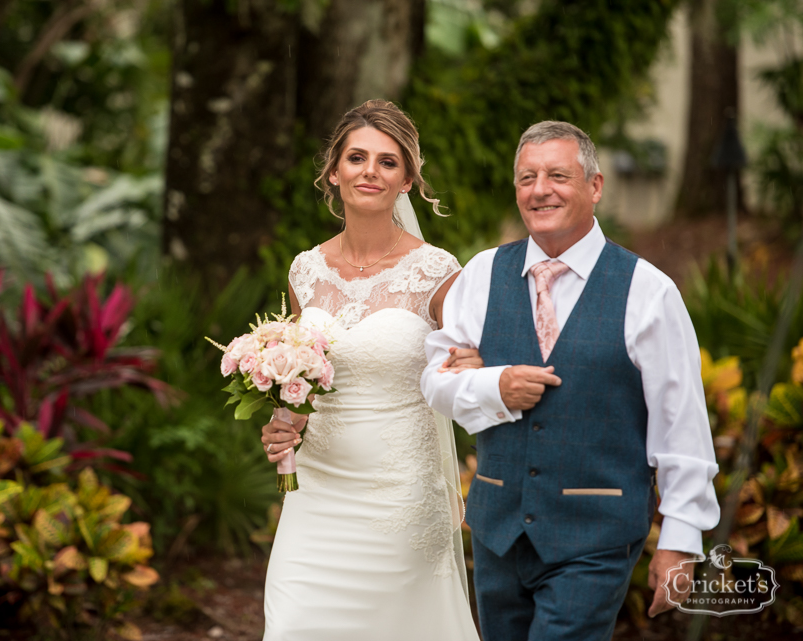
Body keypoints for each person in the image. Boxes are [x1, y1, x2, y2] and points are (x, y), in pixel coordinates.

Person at [421, 121, 721, 640]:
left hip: (595, 537)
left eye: (558, 175)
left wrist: (680, 538)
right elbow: (434, 381)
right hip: (498, 534)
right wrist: (495, 387)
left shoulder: (648, 291)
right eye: (526, 178)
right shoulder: (484, 273)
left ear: (595, 186)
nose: (540, 190)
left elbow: (681, 424)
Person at [258, 100, 481, 640]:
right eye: (357, 158)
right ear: (334, 172)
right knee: (292, 626)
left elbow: (466, 373)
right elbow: (301, 383)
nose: (370, 172)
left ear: (407, 180)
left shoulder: (438, 272)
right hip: (315, 493)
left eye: (388, 161)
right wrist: (284, 422)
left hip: (399, 497)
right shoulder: (304, 271)